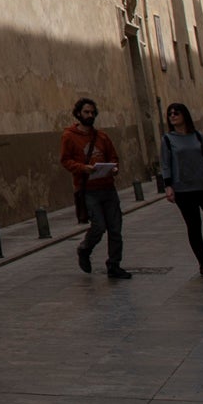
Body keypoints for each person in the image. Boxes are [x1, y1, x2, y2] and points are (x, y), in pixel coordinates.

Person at [60, 97, 132, 279]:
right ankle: (84, 249)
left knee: (115, 228)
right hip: (87, 189)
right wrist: (83, 168)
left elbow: (113, 157)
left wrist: (113, 168)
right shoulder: (69, 136)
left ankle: (114, 264)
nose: (90, 115)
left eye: (92, 112)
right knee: (98, 226)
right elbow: (66, 160)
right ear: (78, 114)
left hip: (107, 187)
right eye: (86, 112)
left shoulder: (102, 137)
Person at [158, 101, 203, 276]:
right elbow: (166, 165)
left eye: (176, 113)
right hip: (183, 190)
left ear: (185, 115)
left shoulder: (198, 137)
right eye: (170, 114)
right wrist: (168, 186)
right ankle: (202, 263)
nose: (173, 116)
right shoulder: (168, 140)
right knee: (194, 226)